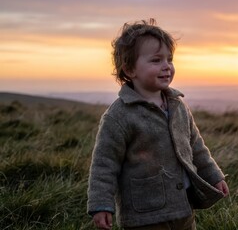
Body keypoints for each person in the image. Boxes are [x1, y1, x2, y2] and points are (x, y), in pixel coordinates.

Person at [87, 18, 229, 230]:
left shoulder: (178, 106)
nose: (166, 67)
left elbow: (197, 147)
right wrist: (101, 205)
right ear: (129, 70)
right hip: (144, 215)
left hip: (183, 207)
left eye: (169, 59)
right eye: (156, 60)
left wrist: (214, 176)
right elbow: (104, 164)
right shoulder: (118, 116)